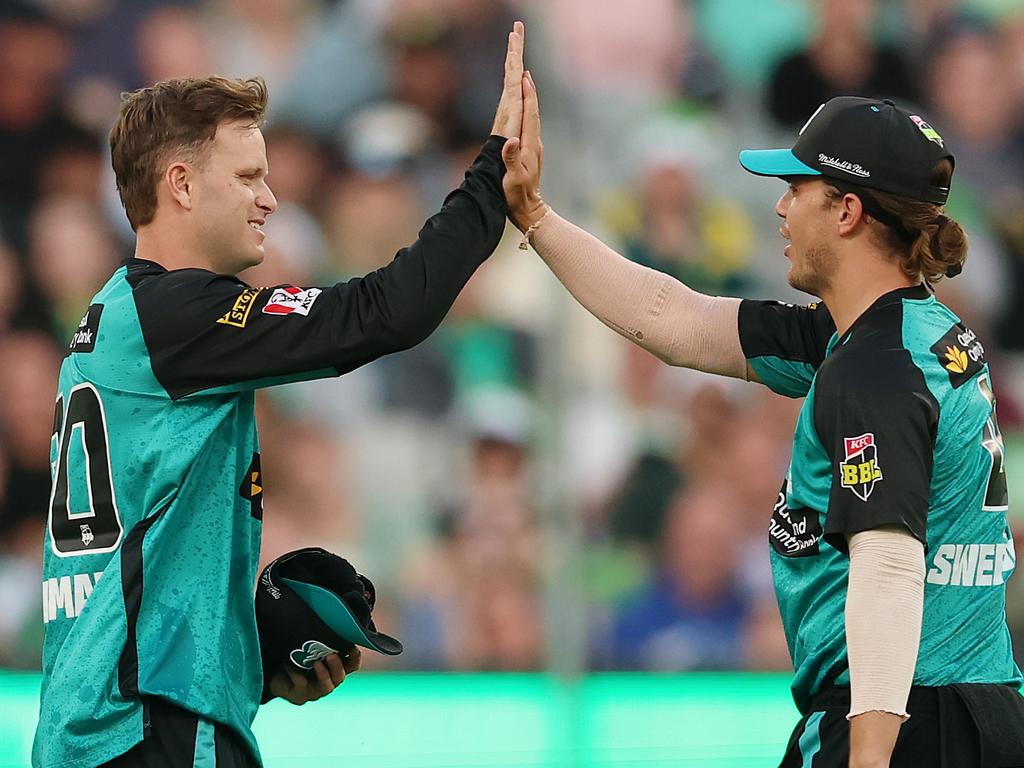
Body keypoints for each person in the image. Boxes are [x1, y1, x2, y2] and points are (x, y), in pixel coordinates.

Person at [35, 20, 536, 768]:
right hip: (156, 734)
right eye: (246, 177)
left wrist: (254, 662)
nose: (270, 199)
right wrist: (491, 179)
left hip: (98, 728)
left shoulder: (116, 318)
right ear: (179, 183)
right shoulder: (175, 317)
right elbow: (378, 314)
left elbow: (137, 579)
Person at [504, 81, 1024, 767]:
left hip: (896, 720)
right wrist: (536, 217)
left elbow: (889, 567)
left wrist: (867, 758)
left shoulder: (875, 368)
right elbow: (675, 321)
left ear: (846, 211)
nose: (779, 208)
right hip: (978, 709)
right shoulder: (911, 334)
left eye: (796, 189)